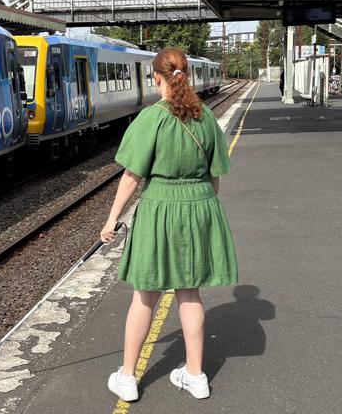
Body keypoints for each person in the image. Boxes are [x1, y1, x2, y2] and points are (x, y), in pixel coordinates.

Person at [100, 47, 238, 402]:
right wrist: (201, 205)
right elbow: (215, 177)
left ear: (155, 77)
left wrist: (112, 219)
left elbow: (131, 176)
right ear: (186, 75)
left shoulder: (151, 118)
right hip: (198, 206)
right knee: (189, 293)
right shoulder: (205, 117)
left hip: (160, 209)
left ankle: (128, 378)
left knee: (145, 295)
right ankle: (195, 376)